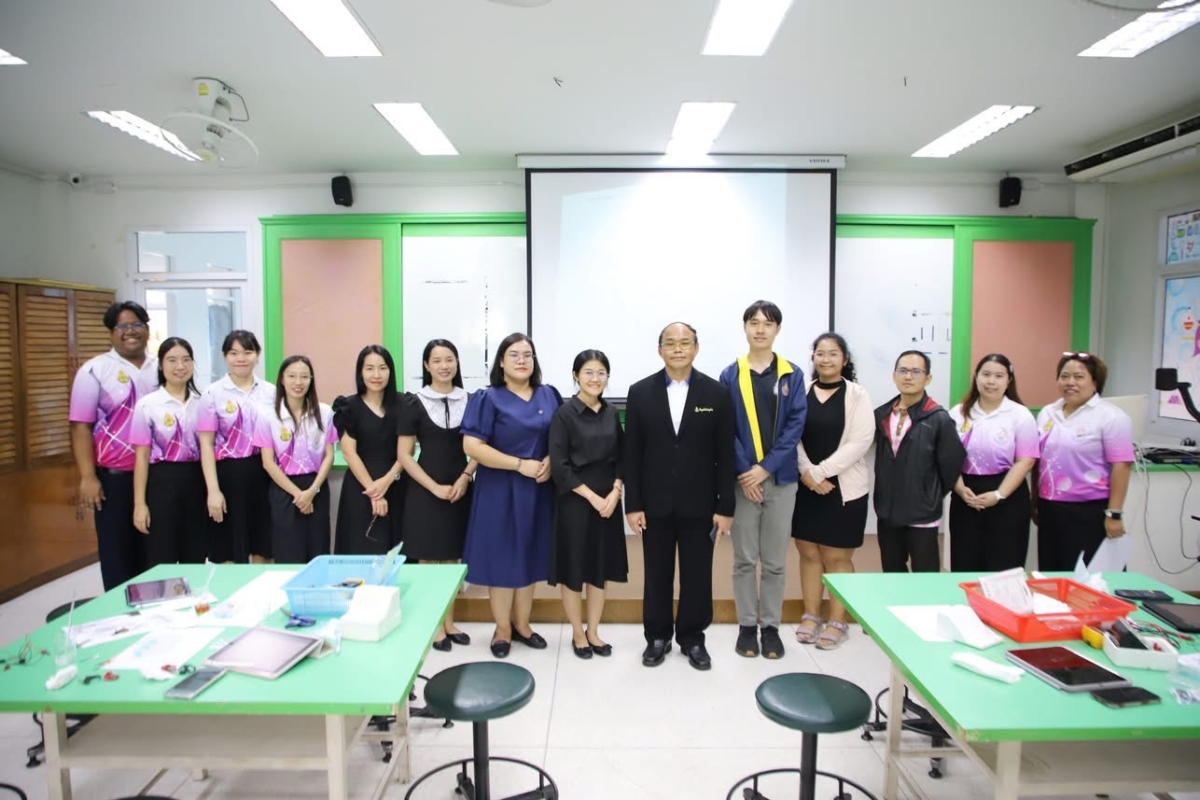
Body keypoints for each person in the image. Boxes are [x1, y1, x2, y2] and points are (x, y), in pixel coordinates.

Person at [624, 322, 735, 671]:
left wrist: (726, 506)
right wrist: (633, 504)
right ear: (660, 350)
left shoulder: (717, 393)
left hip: (701, 505)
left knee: (697, 576)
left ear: (696, 348)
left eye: (685, 343)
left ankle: (693, 638)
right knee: (656, 575)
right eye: (670, 343)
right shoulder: (640, 392)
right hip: (653, 504)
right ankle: (657, 637)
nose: (677, 349)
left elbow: (726, 455)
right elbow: (632, 454)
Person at [461, 333, 563, 658]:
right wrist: (519, 465)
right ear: (501, 362)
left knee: (531, 554)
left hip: (539, 489)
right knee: (502, 559)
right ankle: (502, 628)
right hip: (500, 490)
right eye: (514, 354)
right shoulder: (487, 398)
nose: (522, 360)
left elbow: (562, 437)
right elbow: (472, 446)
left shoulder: (549, 395)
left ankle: (523, 624)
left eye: (527, 354)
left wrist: (550, 460)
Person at [718, 301, 806, 660]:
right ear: (745, 328)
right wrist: (746, 472)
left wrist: (765, 468)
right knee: (743, 560)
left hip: (781, 480)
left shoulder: (792, 374)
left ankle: (770, 628)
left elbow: (795, 426)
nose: (760, 329)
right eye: (753, 323)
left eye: (767, 324)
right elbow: (725, 427)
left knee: (774, 562)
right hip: (743, 482)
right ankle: (746, 627)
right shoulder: (730, 375)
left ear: (777, 330)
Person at [69, 300, 159, 590]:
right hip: (116, 479)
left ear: (147, 329)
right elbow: (80, 426)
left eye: (137, 324)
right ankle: (121, 612)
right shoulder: (94, 371)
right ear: (111, 333)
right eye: (122, 326)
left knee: (156, 553)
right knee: (118, 555)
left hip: (158, 477)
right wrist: (88, 476)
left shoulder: (163, 367)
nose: (130, 331)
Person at [792, 333, 873, 650]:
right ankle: (811, 616)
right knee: (809, 553)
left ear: (845, 359)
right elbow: (791, 436)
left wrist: (820, 472)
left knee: (837, 557)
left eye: (833, 353)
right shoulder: (802, 392)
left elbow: (860, 442)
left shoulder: (857, 395)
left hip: (844, 489)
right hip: (806, 487)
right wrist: (807, 473)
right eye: (820, 353)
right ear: (813, 358)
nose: (826, 359)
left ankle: (838, 621)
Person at [549, 349, 629, 659]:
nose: (595, 379)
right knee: (574, 569)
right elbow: (559, 466)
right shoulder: (564, 415)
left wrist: (616, 490)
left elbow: (622, 456)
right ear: (576, 376)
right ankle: (577, 632)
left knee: (600, 568)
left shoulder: (610, 412)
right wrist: (594, 497)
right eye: (589, 373)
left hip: (608, 501)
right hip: (575, 501)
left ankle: (593, 631)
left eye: (601, 373)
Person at [398, 339, 476, 651]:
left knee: (453, 557)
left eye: (449, 359)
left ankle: (450, 622)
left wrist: (465, 478)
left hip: (461, 488)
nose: (444, 366)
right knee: (429, 558)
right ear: (426, 365)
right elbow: (404, 455)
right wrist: (433, 487)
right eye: (437, 360)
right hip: (424, 490)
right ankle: (434, 625)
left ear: (457, 363)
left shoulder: (471, 400)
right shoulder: (413, 402)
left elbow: (479, 447)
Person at [1033, 352, 1134, 571]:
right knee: (1054, 571)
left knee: (1093, 576)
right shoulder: (1048, 413)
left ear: (1095, 382)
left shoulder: (1111, 417)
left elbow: (1122, 466)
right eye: (1064, 376)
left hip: (1090, 510)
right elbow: (1039, 462)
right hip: (1051, 507)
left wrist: (1114, 513)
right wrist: (1035, 504)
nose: (1070, 382)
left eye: (1079, 377)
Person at [873, 350, 965, 573]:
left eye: (916, 371)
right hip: (887, 511)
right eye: (903, 371)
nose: (908, 377)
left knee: (925, 576)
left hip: (922, 514)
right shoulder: (881, 414)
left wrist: (928, 494)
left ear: (928, 378)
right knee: (892, 573)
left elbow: (951, 465)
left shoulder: (939, 418)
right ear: (894, 376)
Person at [948, 354, 1038, 572]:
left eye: (999, 376)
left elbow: (1025, 461)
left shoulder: (1020, 415)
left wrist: (999, 495)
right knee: (965, 562)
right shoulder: (958, 413)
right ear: (976, 377)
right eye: (986, 374)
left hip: (1007, 495)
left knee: (1004, 566)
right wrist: (959, 488)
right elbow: (948, 457)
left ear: (1008, 381)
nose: (991, 381)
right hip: (966, 494)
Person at [197, 330, 276, 564]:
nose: (241, 358)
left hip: (264, 474)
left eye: (247, 352)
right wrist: (213, 490)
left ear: (257, 355)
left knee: (263, 546)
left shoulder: (271, 392)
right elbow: (206, 444)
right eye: (233, 353)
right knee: (229, 548)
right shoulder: (212, 394)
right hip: (227, 477)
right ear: (225, 356)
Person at [131, 337, 207, 565]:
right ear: (161, 365)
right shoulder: (147, 405)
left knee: (194, 554)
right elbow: (141, 457)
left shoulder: (203, 403)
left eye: (186, 360)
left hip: (196, 482)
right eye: (172, 360)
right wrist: (139, 504)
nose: (180, 366)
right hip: (161, 484)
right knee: (161, 553)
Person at [255, 355, 337, 563]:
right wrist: (298, 495)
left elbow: (329, 455)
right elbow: (267, 462)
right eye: (292, 376)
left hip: (316, 488)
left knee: (318, 552)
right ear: (282, 380)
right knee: (288, 553)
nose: (298, 382)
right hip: (284, 489)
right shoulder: (268, 416)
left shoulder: (324, 412)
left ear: (311, 380)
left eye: (304, 377)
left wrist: (312, 491)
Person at [333, 345, 406, 555]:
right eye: (369, 368)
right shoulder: (348, 406)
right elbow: (349, 453)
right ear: (360, 372)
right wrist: (374, 492)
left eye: (382, 368)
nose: (376, 375)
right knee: (360, 551)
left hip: (397, 485)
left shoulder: (404, 404)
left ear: (390, 371)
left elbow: (406, 450)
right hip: (360, 488)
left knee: (397, 553)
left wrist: (388, 480)